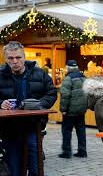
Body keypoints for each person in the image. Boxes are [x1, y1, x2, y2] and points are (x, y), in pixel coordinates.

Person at [0, 41, 57, 176]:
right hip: (9, 128)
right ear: (5, 59)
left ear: (24, 57)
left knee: (35, 166)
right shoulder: (0, 75)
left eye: (18, 57)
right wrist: (1, 103)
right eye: (10, 58)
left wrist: (38, 105)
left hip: (33, 126)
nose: (15, 61)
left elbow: (51, 93)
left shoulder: (40, 74)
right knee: (14, 169)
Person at [58, 60, 88, 158]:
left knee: (66, 130)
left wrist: (63, 109)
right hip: (81, 110)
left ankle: (66, 152)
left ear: (67, 68)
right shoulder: (84, 78)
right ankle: (82, 151)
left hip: (70, 111)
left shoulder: (68, 78)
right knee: (81, 130)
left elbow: (65, 95)